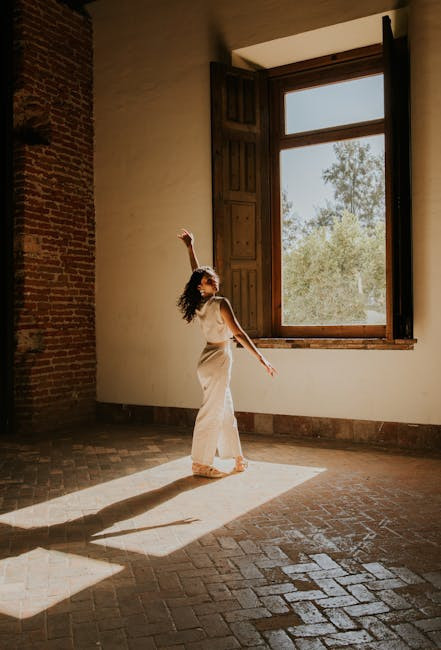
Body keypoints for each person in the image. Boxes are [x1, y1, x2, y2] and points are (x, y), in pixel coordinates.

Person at [177, 228, 277, 479]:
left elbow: (195, 273)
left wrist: (190, 248)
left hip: (208, 360)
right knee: (212, 411)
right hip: (218, 360)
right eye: (208, 280)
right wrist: (261, 358)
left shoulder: (200, 303)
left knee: (225, 409)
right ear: (201, 286)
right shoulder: (220, 303)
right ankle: (200, 463)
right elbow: (239, 334)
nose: (213, 280)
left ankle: (237, 458)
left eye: (213, 277)